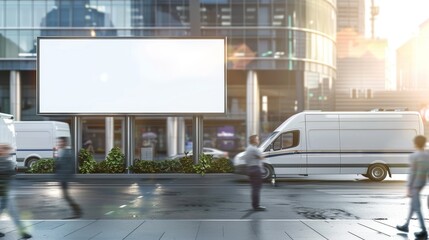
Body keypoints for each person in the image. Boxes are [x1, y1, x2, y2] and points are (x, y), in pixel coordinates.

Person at [396, 135, 429, 238]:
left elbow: (412, 173)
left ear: (415, 144)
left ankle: (423, 230)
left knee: (417, 208)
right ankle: (406, 225)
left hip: (415, 184)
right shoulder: (427, 155)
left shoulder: (414, 156)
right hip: (422, 183)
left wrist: (408, 187)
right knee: (413, 205)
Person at [0, 143, 32, 239]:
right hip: (3, 193)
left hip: (5, 192)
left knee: (13, 212)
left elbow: (11, 176)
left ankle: (23, 232)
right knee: (14, 213)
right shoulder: (7, 162)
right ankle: (23, 232)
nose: (6, 151)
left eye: (6, 149)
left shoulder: (8, 162)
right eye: (4, 149)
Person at [55, 137, 82, 219]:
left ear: (65, 143)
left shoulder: (68, 153)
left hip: (65, 178)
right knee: (66, 196)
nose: (59, 144)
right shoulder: (60, 152)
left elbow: (71, 166)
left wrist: (66, 176)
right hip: (62, 178)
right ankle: (77, 211)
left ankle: (77, 211)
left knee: (66, 196)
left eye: (61, 142)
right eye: (59, 142)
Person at [243, 135, 266, 211]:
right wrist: (262, 155)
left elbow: (246, 160)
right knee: (257, 188)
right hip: (256, 169)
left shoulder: (248, 148)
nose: (258, 140)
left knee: (254, 188)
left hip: (250, 168)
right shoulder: (254, 149)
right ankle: (256, 206)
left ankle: (254, 205)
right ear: (254, 140)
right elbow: (262, 157)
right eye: (257, 139)